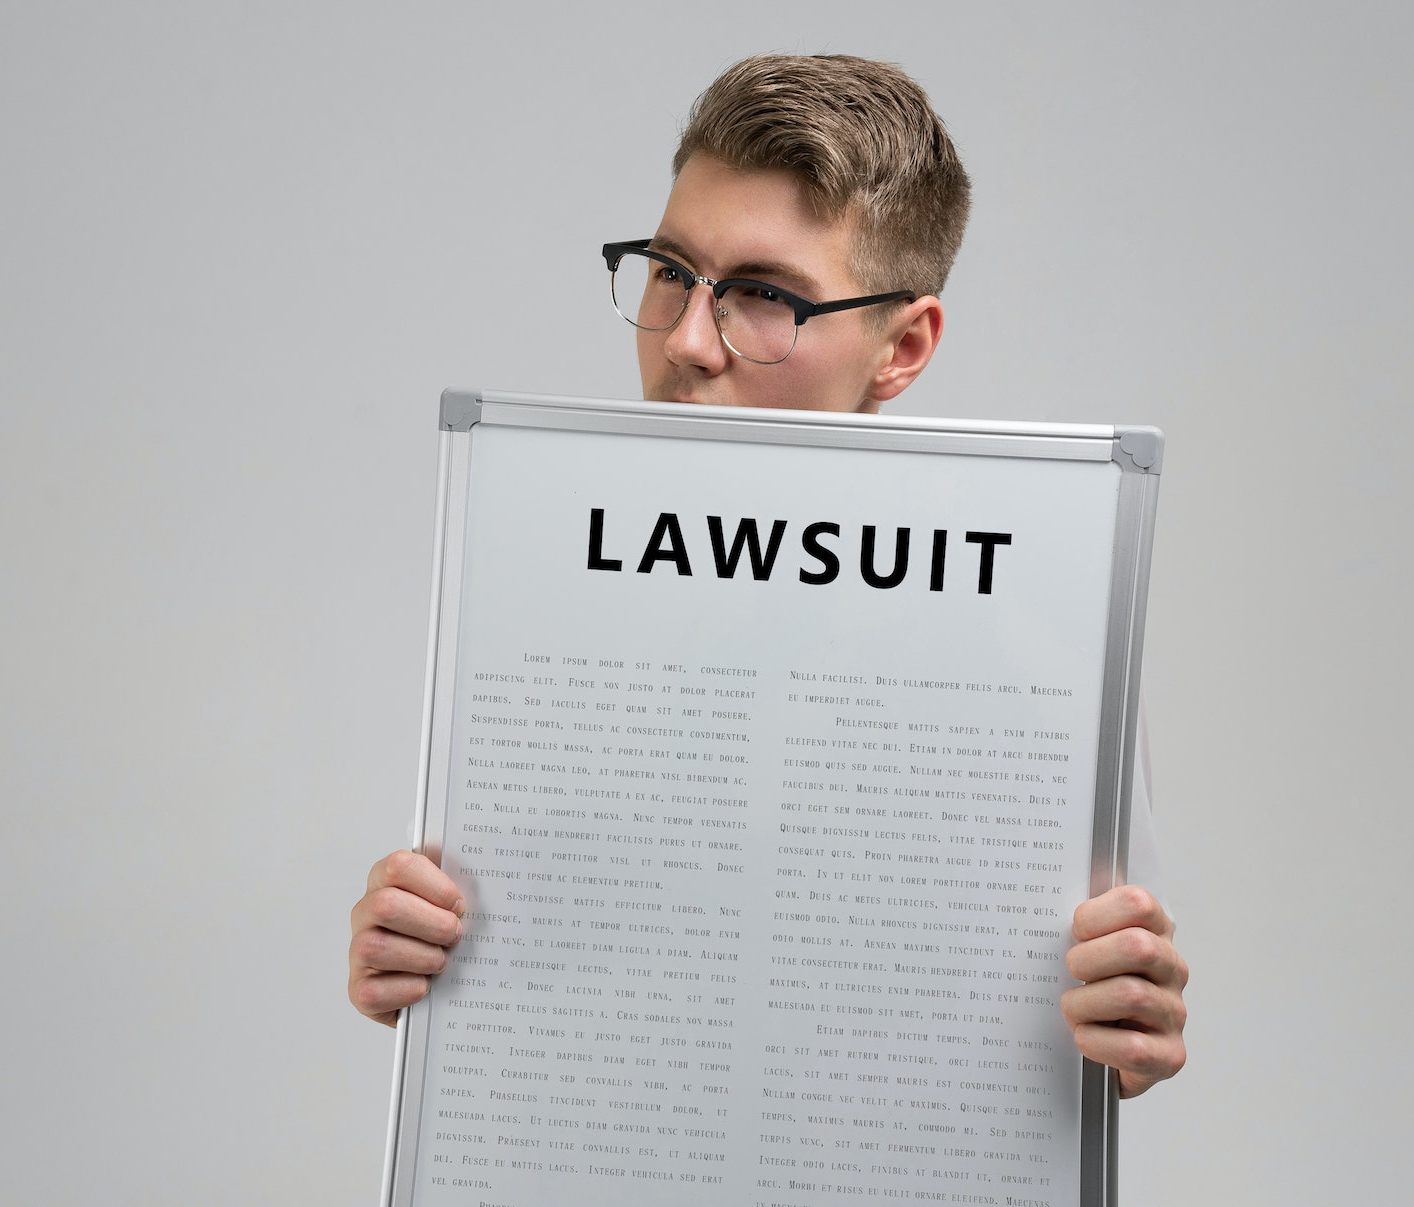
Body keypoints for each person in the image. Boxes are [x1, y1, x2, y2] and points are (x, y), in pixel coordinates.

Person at [348, 54, 1189, 1100]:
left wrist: (1125, 1023)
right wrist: (414, 955)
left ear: (902, 346)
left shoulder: (1044, 660)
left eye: (760, 295)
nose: (688, 342)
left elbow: (1106, 1047)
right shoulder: (533, 606)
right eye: (668, 270)